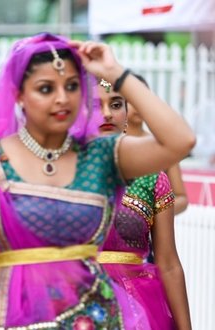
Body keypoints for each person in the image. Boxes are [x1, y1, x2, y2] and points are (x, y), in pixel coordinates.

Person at [0, 33, 195, 329]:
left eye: (72, 86)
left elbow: (181, 141)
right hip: (8, 320)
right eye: (46, 88)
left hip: (92, 319)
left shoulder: (101, 157)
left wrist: (115, 74)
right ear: (18, 94)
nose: (62, 98)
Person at [96, 77, 191, 329]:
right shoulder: (59, 175)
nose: (107, 113)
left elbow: (169, 263)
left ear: (126, 113)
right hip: (75, 306)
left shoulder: (153, 178)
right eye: (95, 105)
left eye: (116, 104)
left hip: (138, 310)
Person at [123, 74, 188, 214]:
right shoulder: (110, 145)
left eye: (142, 99)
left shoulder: (163, 145)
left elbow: (181, 197)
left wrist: (149, 211)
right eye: (131, 100)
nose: (138, 105)